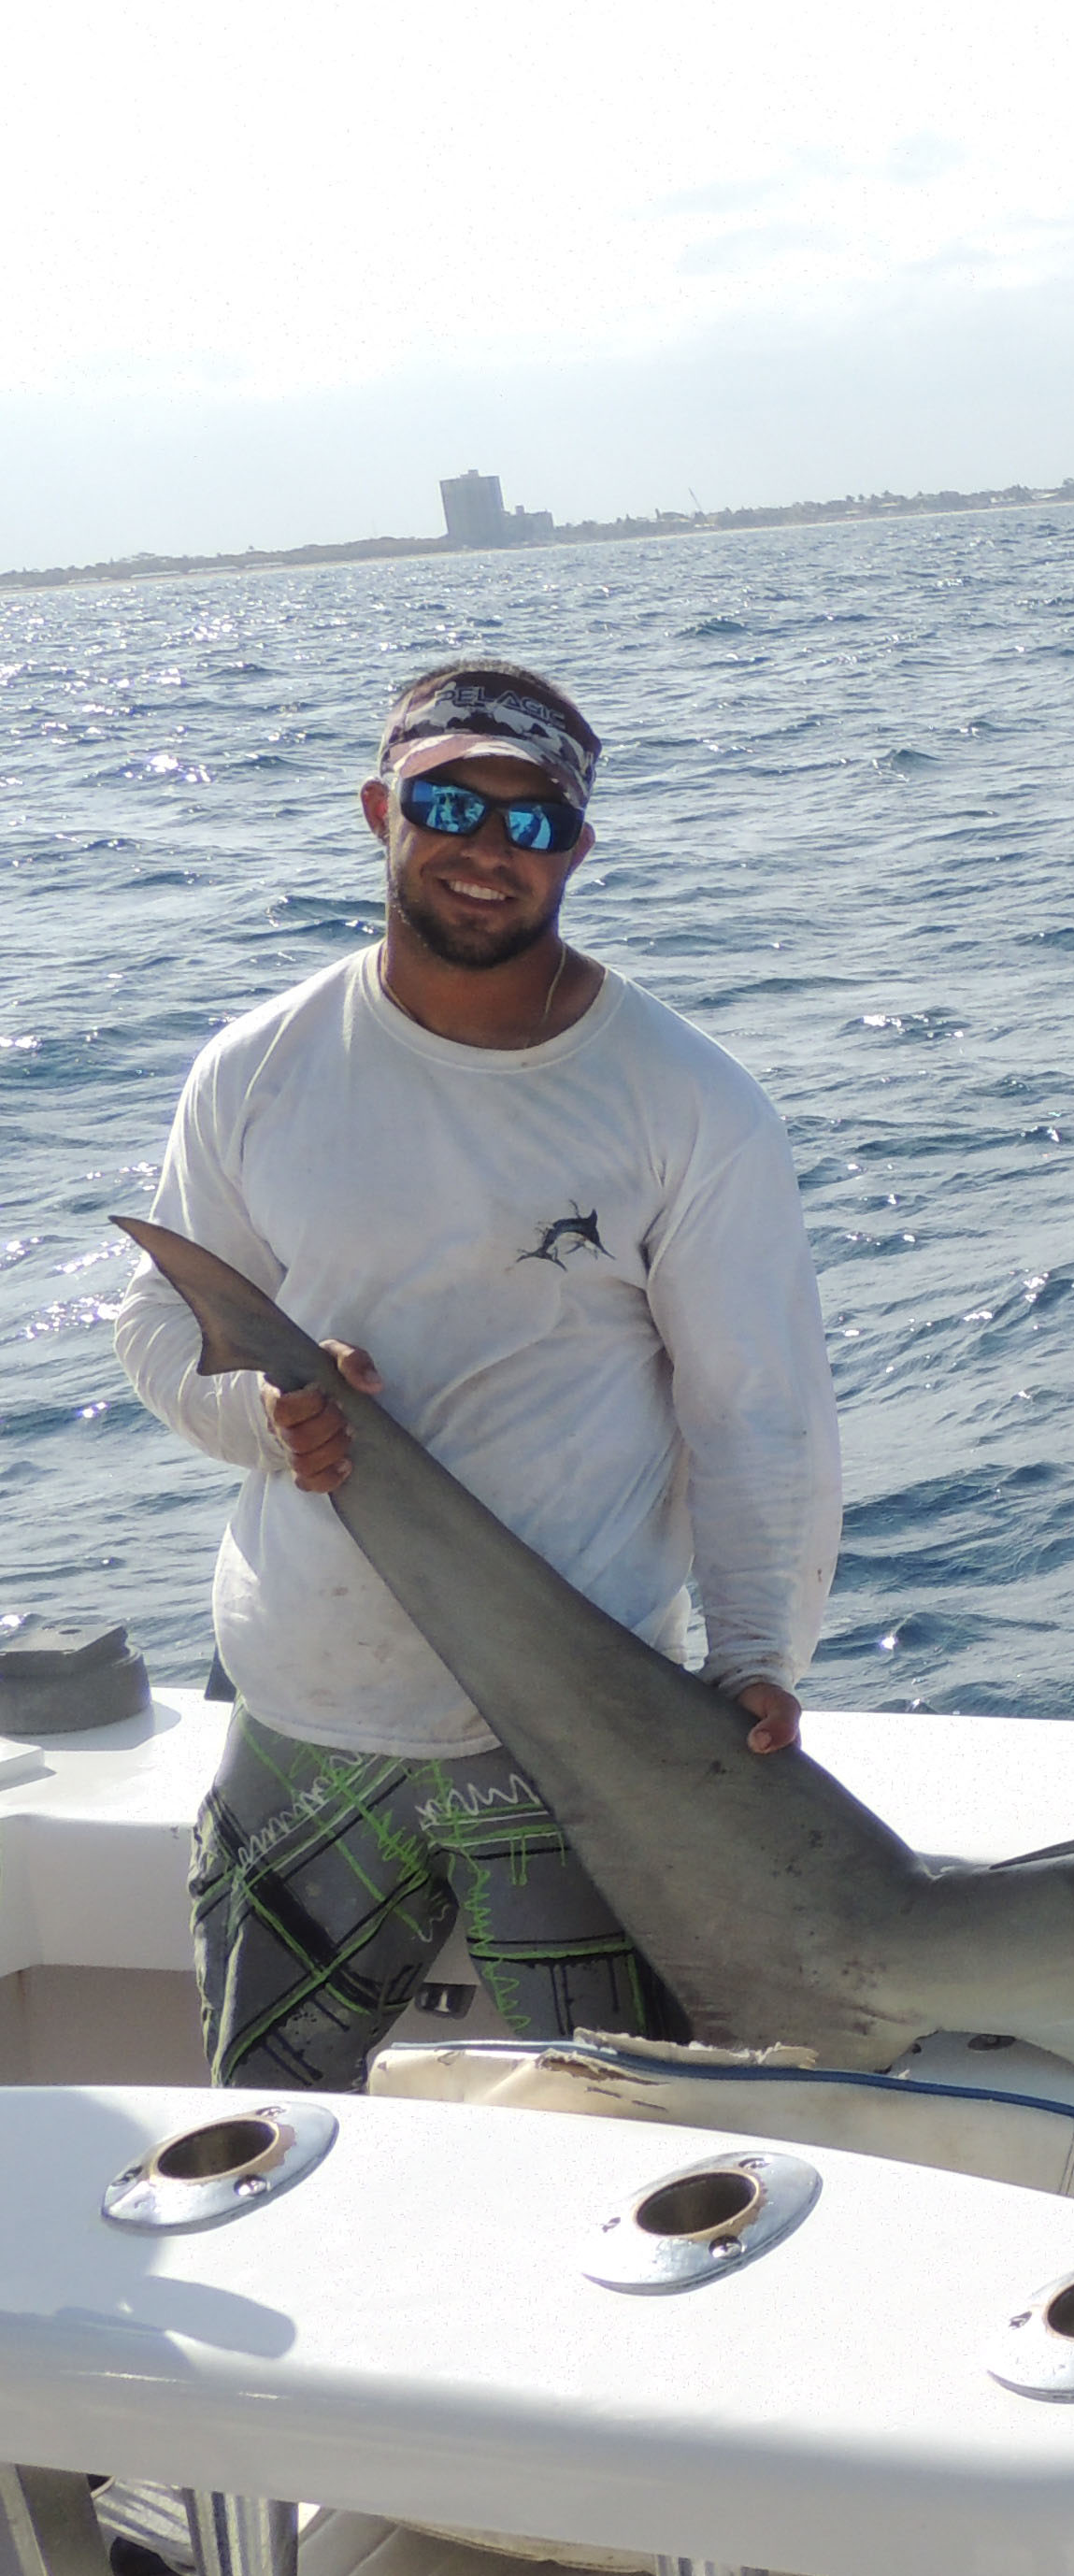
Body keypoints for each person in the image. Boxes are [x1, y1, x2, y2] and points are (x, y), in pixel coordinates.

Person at [111, 659, 840, 2090]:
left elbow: (756, 1417)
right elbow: (158, 1324)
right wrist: (266, 1420)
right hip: (302, 1712)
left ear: (579, 846)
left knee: (625, 2150)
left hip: (575, 1740)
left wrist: (756, 1665)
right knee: (269, 2129)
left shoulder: (687, 1101)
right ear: (383, 810)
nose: (488, 850)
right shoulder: (256, 1068)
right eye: (451, 804)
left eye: (534, 821)